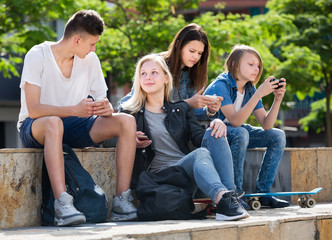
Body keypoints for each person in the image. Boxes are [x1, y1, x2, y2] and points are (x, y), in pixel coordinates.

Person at [17, 10, 137, 226]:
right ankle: (62, 204)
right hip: (36, 126)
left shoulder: (90, 60)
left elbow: (103, 99)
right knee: (54, 122)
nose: (94, 49)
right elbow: (34, 109)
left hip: (74, 124)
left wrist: (106, 108)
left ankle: (122, 200)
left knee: (126, 121)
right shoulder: (38, 55)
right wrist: (73, 109)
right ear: (77, 40)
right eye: (92, 44)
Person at [120, 53, 249, 221]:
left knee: (216, 131)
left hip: (185, 174)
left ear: (166, 78)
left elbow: (200, 137)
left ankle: (230, 198)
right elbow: (109, 139)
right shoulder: (129, 112)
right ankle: (225, 200)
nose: (148, 77)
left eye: (154, 72)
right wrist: (130, 139)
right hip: (160, 178)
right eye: (143, 74)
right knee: (200, 154)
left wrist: (217, 122)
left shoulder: (180, 109)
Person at [203, 44, 290, 208]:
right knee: (241, 132)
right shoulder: (221, 85)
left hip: (236, 133)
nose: (256, 69)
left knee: (277, 136)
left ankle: (263, 193)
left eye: (258, 66)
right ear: (234, 63)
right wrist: (258, 94)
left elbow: (266, 124)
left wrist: (277, 98)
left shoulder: (250, 88)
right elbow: (235, 121)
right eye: (250, 64)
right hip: (213, 135)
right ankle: (235, 194)